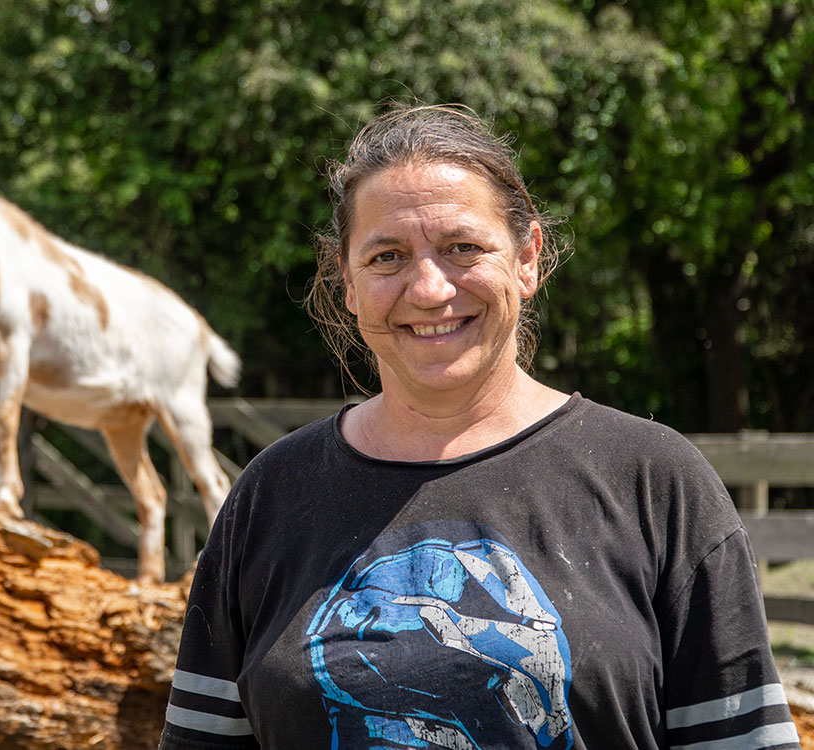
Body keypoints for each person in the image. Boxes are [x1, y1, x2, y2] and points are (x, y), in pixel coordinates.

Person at [157, 105, 802, 749]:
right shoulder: (271, 496)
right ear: (347, 283)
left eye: (462, 248)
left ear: (527, 257)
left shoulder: (656, 484)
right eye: (387, 256)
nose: (430, 289)